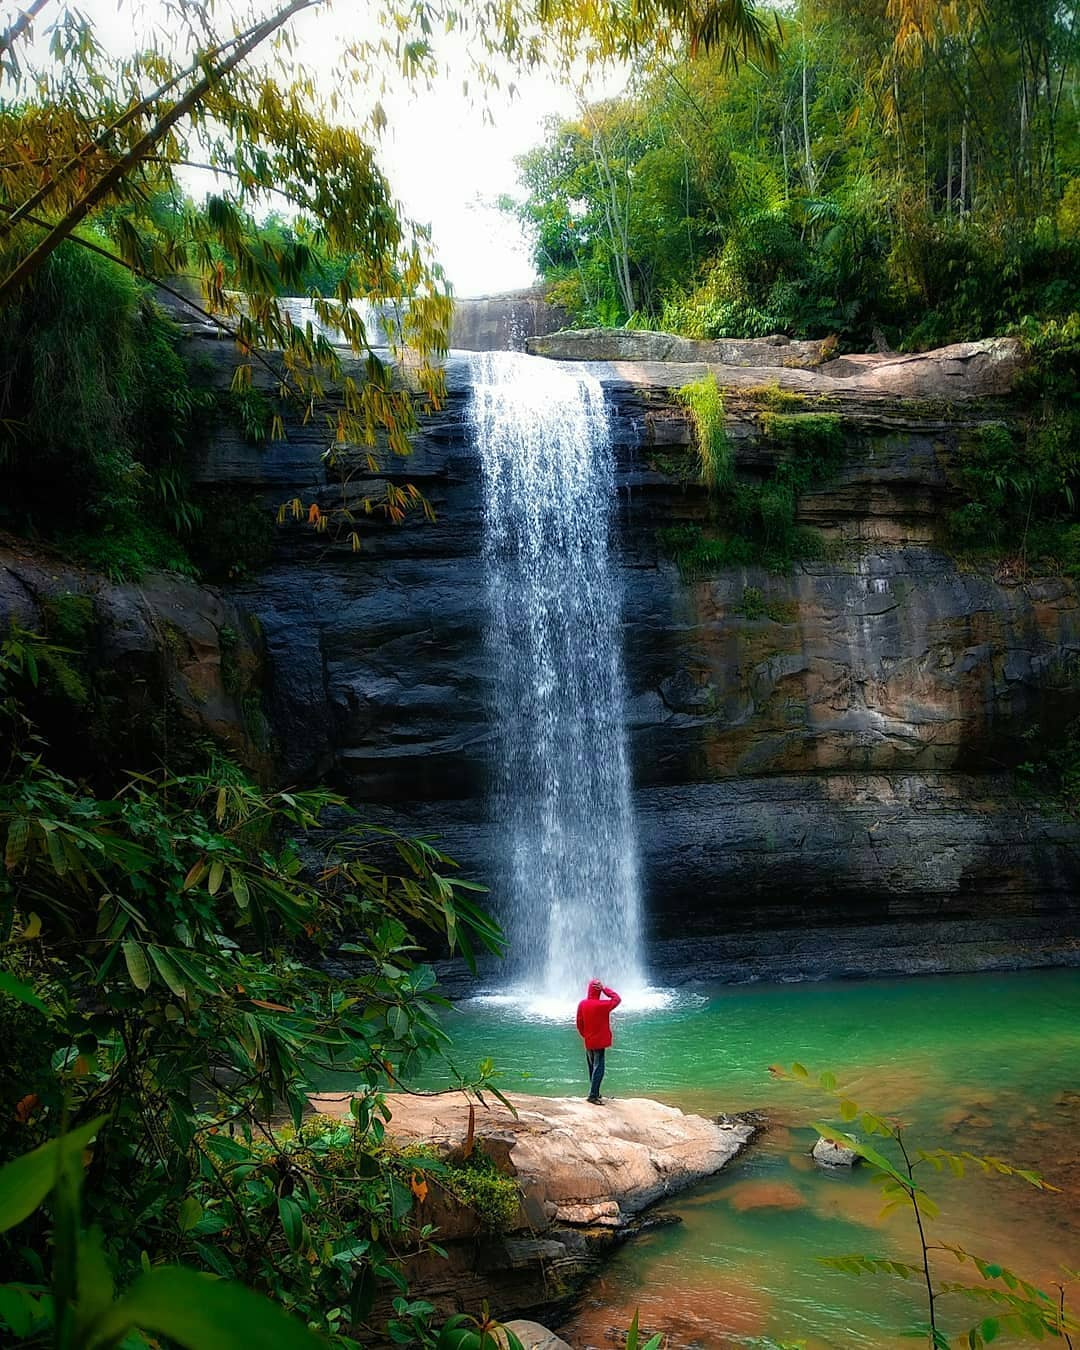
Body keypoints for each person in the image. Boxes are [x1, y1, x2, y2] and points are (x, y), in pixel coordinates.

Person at [575, 978, 621, 1104]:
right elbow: (617, 999)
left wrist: (586, 1036)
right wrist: (604, 989)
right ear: (598, 991)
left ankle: (594, 1092)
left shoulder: (582, 1004)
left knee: (592, 1068)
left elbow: (579, 1024)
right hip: (599, 1043)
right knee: (598, 1069)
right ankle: (593, 1096)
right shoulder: (603, 1005)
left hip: (588, 1041)